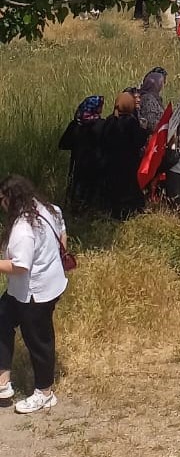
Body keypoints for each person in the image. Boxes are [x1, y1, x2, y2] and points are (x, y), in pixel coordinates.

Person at [0, 175, 69, 414]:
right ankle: (3, 382)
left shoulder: (22, 229)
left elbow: (20, 266)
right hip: (45, 284)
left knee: (38, 341)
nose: (1, 205)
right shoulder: (49, 209)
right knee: (2, 319)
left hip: (35, 295)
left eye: (2, 199)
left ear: (12, 198)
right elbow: (62, 234)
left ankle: (44, 392)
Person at [100, 92, 147, 220]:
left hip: (111, 161)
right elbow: (138, 141)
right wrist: (144, 131)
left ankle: (113, 213)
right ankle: (128, 214)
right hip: (128, 162)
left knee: (114, 189)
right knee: (128, 189)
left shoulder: (110, 120)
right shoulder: (131, 121)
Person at [58, 96, 106, 211]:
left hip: (78, 163)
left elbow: (63, 144)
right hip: (96, 163)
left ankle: (75, 210)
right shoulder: (102, 125)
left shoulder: (76, 124)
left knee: (78, 190)